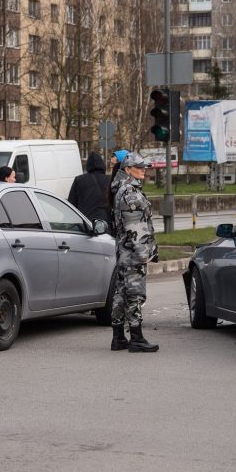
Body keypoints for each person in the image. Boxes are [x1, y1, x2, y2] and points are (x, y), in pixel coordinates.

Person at [109, 151, 159, 353]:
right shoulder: (130, 192)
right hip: (133, 253)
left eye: (144, 167)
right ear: (128, 169)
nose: (143, 170)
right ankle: (136, 338)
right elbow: (135, 228)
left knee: (121, 293)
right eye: (139, 167)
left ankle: (118, 337)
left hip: (124, 252)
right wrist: (143, 254)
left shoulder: (122, 188)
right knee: (135, 294)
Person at [67, 151, 110, 223]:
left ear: (88, 165)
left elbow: (71, 203)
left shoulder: (79, 180)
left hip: (85, 221)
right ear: (102, 164)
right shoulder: (109, 180)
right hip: (104, 222)